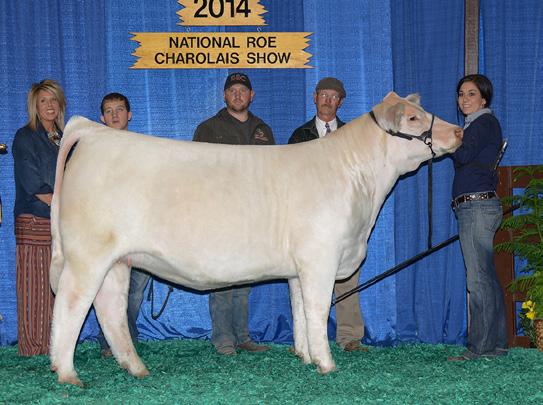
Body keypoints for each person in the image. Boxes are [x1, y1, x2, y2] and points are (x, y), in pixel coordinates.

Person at [193, 72, 274, 355]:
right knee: (222, 278)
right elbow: (197, 173)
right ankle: (223, 338)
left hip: (253, 214)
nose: (237, 94)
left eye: (242, 90)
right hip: (220, 213)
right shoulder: (208, 128)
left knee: (245, 279)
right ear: (224, 96)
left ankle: (242, 336)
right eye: (232, 90)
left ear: (251, 96)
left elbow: (271, 174)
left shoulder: (263, 130)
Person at [288, 77, 367, 352]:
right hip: (307, 220)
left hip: (343, 218)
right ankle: (305, 337)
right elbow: (290, 177)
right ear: (315, 97)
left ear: (340, 102)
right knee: (304, 278)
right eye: (323, 95)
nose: (328, 100)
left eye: (334, 97)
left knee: (346, 275)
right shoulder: (300, 136)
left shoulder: (353, 135)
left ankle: (349, 335)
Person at [448, 74, 507, 361]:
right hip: (479, 206)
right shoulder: (480, 124)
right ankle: (496, 344)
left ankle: (479, 347)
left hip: (476, 207)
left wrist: (451, 138)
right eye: (461, 94)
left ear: (484, 99)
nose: (464, 99)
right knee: (486, 277)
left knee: (478, 280)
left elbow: (463, 155)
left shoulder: (482, 123)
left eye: (471, 93)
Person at [12, 79, 66, 356]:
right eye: (43, 101)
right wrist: (66, 208)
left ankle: (55, 344)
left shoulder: (64, 138)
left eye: (53, 100)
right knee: (35, 286)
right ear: (34, 106)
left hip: (61, 221)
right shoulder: (25, 136)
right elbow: (32, 182)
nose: (49, 105)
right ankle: (34, 348)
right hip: (35, 217)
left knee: (58, 285)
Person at [96, 92, 151, 357]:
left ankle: (123, 337)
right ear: (102, 118)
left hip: (141, 231)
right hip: (109, 232)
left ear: (129, 114)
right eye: (109, 111)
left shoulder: (142, 149)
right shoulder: (95, 152)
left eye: (119, 109)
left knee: (135, 290)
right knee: (109, 288)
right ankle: (112, 341)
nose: (115, 114)